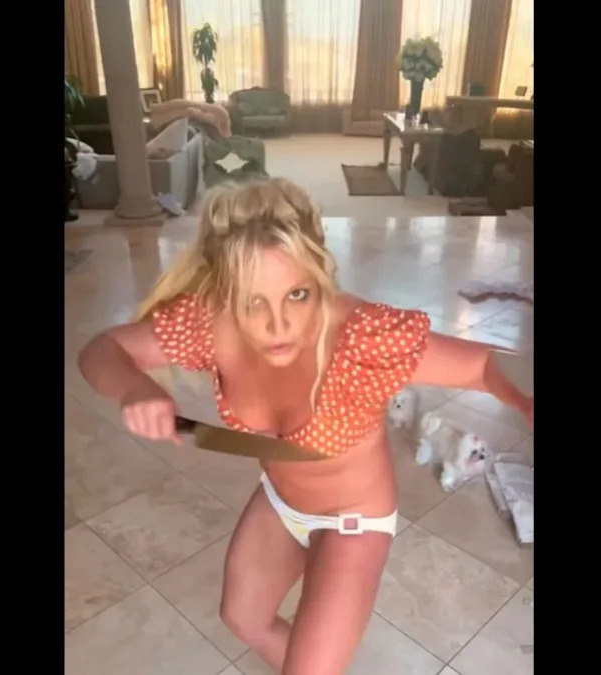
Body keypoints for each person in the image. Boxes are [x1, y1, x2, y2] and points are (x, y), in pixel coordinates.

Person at [76, 178, 532, 675]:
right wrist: (134, 388)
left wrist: (527, 401)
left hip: (353, 523)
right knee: (243, 619)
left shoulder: (360, 336)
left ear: (319, 275)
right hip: (280, 500)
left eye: (297, 294)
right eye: (252, 301)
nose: (278, 326)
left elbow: (484, 366)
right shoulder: (212, 325)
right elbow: (104, 350)